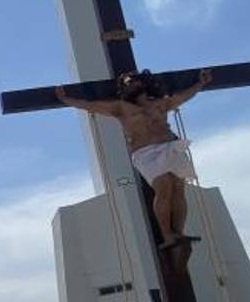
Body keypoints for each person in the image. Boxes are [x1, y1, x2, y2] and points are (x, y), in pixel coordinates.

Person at [57, 69, 212, 250]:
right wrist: (66, 99)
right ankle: (167, 235)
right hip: (146, 152)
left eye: (131, 80)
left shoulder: (161, 103)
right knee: (163, 186)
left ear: (142, 82)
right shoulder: (121, 108)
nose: (129, 84)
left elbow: (183, 97)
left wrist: (200, 83)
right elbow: (91, 105)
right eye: (126, 83)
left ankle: (179, 232)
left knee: (178, 188)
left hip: (170, 146)